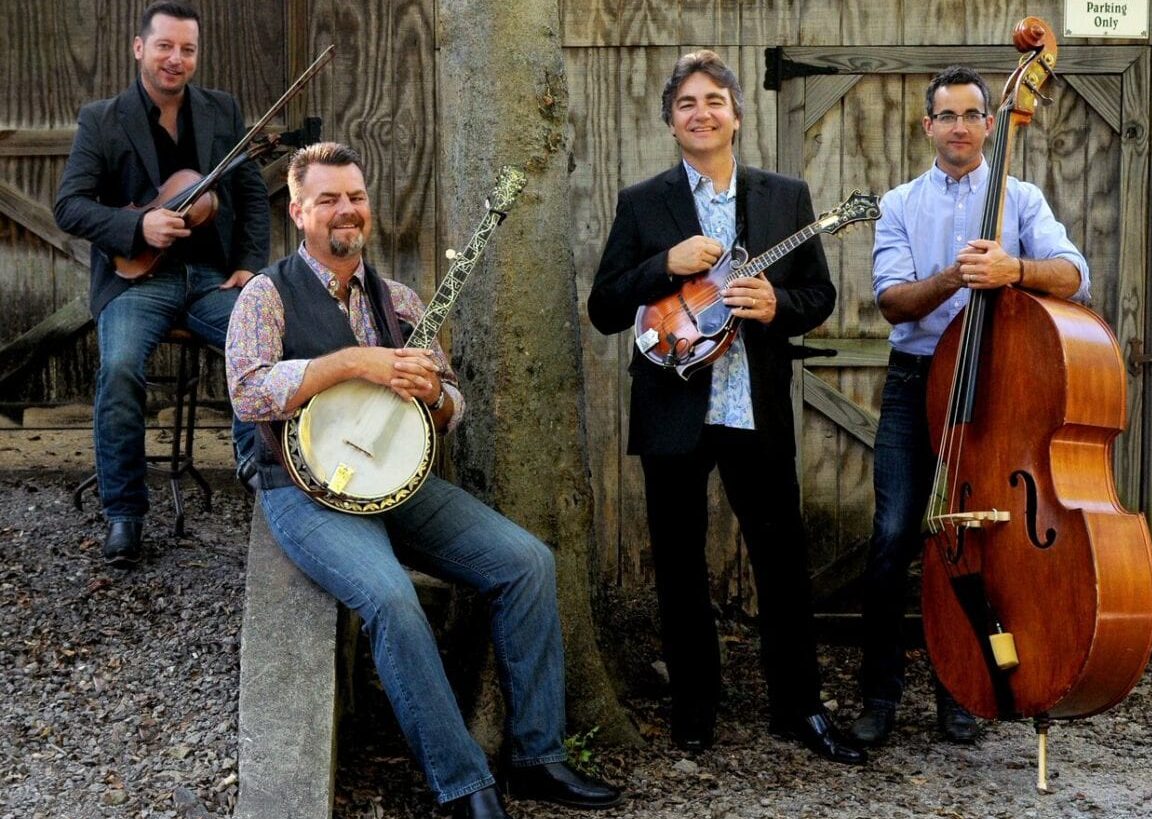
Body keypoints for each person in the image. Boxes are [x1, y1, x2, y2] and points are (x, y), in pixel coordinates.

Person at [224, 142, 620, 819]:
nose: (345, 209)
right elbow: (250, 391)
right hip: (304, 492)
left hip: (398, 484)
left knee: (528, 561)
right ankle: (464, 785)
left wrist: (434, 393)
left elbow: (454, 406)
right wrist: (356, 362)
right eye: (327, 199)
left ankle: (538, 755)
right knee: (392, 599)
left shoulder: (401, 300)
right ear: (298, 212)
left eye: (355, 196)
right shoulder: (266, 295)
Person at [587, 50, 864, 766]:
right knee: (678, 565)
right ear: (671, 123)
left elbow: (818, 296)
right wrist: (663, 266)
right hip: (673, 408)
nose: (702, 112)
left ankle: (799, 705)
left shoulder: (784, 196)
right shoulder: (643, 203)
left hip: (754, 409)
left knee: (781, 558)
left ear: (737, 115)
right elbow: (605, 307)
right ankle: (695, 708)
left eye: (714, 99)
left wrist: (777, 305)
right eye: (686, 103)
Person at [850, 65, 1090, 748]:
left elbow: (1074, 274)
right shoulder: (900, 202)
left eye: (971, 114)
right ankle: (880, 695)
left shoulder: (1021, 198)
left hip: (995, 392)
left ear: (991, 123)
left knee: (977, 541)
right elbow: (892, 300)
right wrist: (955, 275)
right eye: (946, 115)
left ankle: (965, 688)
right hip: (915, 382)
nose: (959, 126)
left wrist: (1014, 269)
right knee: (896, 534)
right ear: (928, 126)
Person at [54, 0, 268, 568]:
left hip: (211, 278)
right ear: (139, 47)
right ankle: (125, 513)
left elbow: (248, 193)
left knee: (261, 340)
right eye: (166, 46)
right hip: (139, 282)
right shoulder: (102, 118)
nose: (177, 59)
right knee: (120, 368)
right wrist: (136, 224)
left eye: (188, 49)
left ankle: (257, 469)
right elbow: (69, 206)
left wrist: (249, 264)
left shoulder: (221, 110)